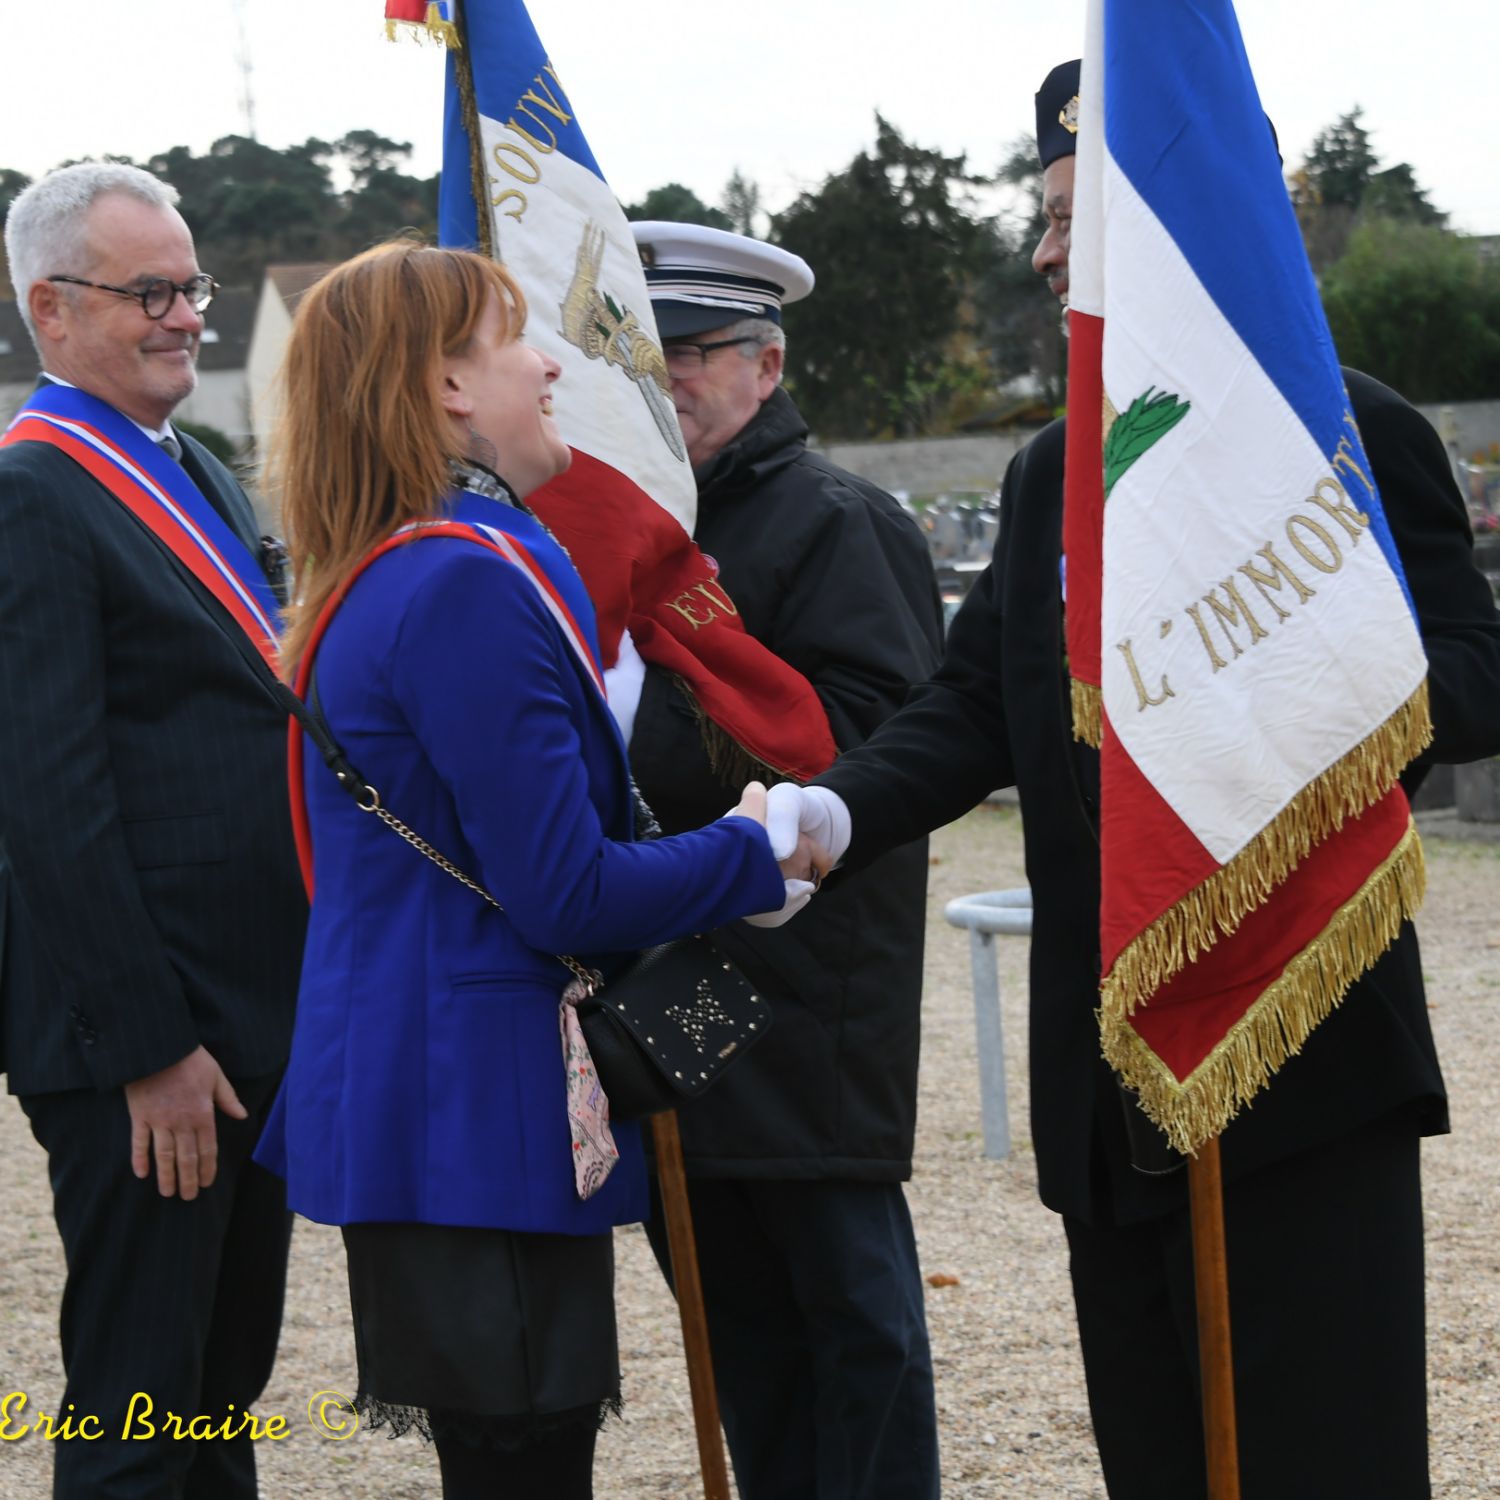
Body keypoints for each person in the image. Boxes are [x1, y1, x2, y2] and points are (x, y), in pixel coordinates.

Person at [769, 62, 1500, 1500]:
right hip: (1109, 1068)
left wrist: (1289, 703)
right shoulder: (1051, 470)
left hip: (1300, 1052)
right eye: (1044, 220)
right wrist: (832, 812)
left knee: (1326, 1465)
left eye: (1077, 219)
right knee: (1158, 1458)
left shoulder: (1351, 431)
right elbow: (973, 703)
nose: (1048, 253)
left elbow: (1477, 672)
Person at [251, 240, 811, 1500]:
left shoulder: (416, 562)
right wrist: (757, 850)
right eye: (513, 342)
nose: (551, 365)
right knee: (523, 1463)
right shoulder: (459, 580)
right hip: (474, 1103)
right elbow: (565, 892)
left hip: (444, 1089)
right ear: (447, 386)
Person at [622, 221, 945, 1500]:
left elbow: (878, 745)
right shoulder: (626, 520)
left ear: (768, 365)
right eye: (641, 355)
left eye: (694, 353)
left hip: (809, 994)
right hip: (672, 973)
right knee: (734, 1320)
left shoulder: (839, 522)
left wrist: (633, 736)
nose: (668, 380)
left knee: (851, 1328)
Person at [0, 163, 308, 1498]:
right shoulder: (33, 491)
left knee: (218, 1394)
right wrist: (149, 1049)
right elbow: (47, 800)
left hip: (248, 1017)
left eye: (193, 287)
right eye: (151, 293)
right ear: (51, 309)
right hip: (151, 1041)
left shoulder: (198, 468)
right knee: (137, 1409)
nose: (188, 316)